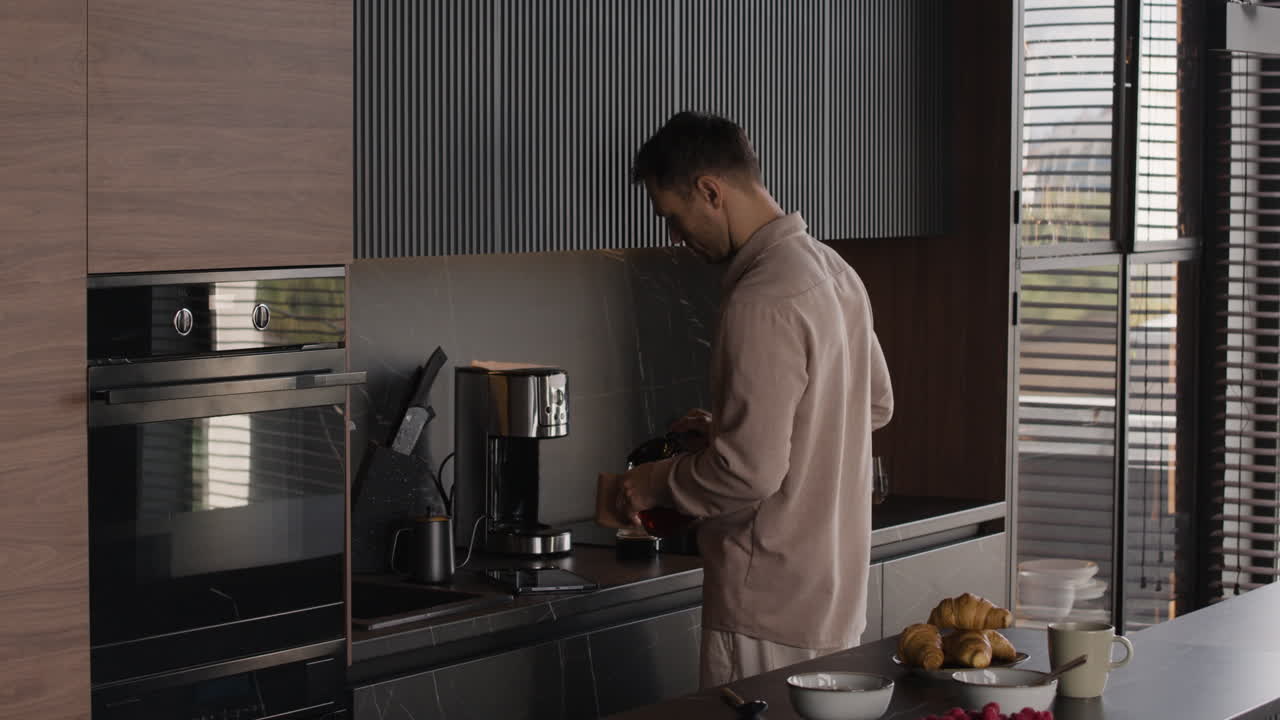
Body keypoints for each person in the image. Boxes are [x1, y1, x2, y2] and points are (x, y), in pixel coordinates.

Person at [607, 111, 894, 688]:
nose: (676, 238)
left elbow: (748, 473)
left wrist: (654, 481)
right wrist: (733, 428)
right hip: (832, 595)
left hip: (766, 601)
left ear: (710, 191)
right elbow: (873, 404)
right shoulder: (833, 270)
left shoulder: (761, 297)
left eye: (674, 217)